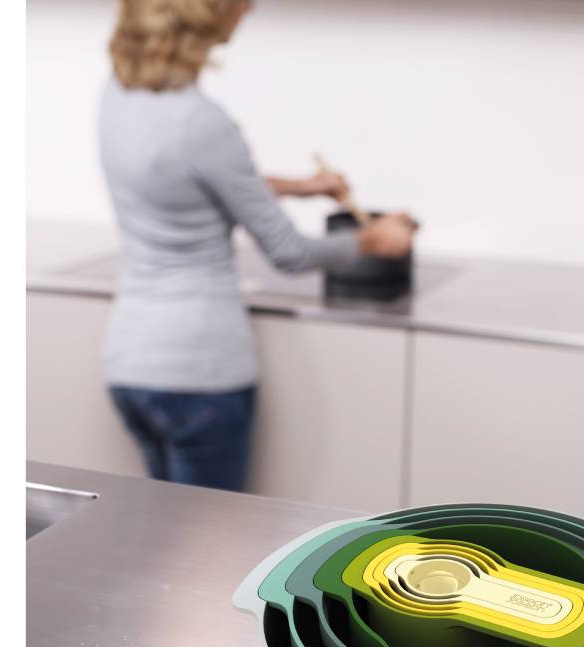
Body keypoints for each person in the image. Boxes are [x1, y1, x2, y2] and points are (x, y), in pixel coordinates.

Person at [99, 0, 415, 492]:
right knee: (209, 539)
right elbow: (290, 252)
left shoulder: (118, 97)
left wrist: (302, 186)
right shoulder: (201, 122)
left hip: (130, 369)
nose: (248, 11)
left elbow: (191, 183)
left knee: (167, 532)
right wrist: (374, 239)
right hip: (199, 373)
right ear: (205, 17)